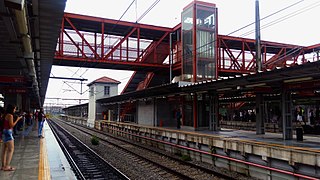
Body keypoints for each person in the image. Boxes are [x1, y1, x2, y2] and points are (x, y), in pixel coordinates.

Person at [1, 104, 23, 171]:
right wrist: (18, 119)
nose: (15, 110)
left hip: (4, 132)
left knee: (3, 150)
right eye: (14, 109)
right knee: (11, 150)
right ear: (11, 109)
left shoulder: (4, 115)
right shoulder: (10, 116)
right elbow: (11, 126)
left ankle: (3, 166)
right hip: (8, 132)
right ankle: (7, 166)